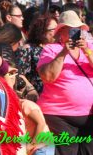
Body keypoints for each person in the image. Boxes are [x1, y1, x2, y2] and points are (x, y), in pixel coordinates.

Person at [37, 11, 93, 154]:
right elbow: (48, 76)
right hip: (59, 116)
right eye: (71, 29)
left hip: (89, 116)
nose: (76, 33)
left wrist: (86, 50)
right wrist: (63, 52)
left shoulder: (89, 48)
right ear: (61, 32)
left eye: (78, 29)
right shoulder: (51, 49)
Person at [16, 15, 57, 95]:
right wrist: (30, 89)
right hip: (37, 95)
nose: (57, 32)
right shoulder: (28, 49)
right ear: (42, 31)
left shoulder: (59, 48)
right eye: (53, 30)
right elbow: (19, 73)